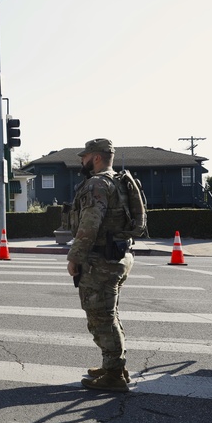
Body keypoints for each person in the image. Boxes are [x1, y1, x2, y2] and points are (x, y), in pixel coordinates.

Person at [66, 138, 135, 393]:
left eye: (85, 157)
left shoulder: (97, 184)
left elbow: (89, 224)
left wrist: (75, 257)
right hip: (118, 256)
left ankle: (114, 375)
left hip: (102, 261)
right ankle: (113, 365)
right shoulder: (118, 180)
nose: (82, 162)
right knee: (109, 313)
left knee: (100, 317)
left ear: (96, 157)